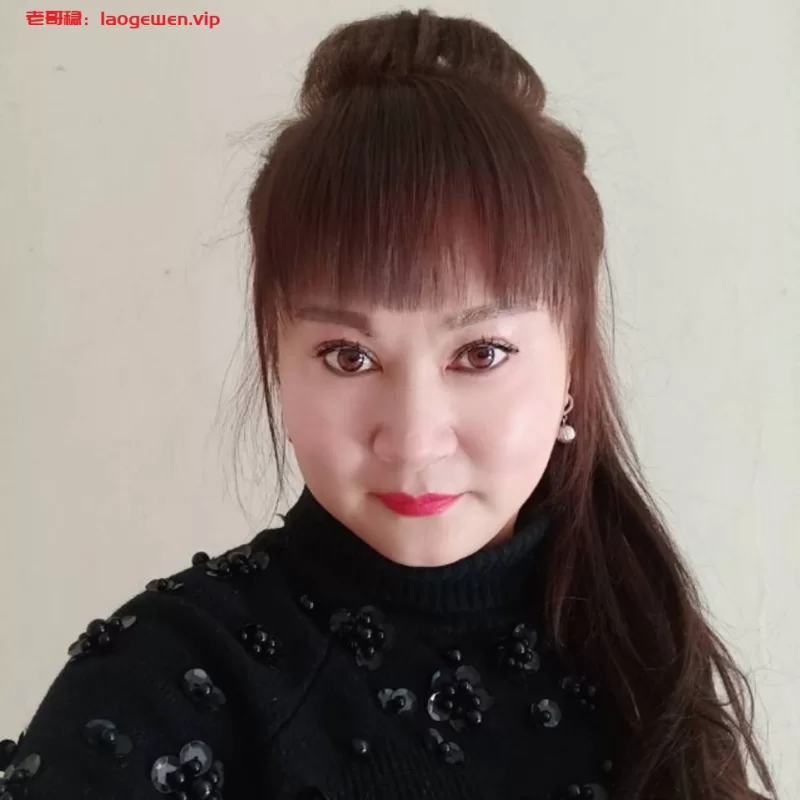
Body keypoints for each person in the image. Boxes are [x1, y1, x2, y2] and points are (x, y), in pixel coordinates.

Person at [0, 8, 775, 800]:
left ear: (572, 361)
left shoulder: (644, 651)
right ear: (277, 356)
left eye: (481, 354)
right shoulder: (168, 682)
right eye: (350, 356)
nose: (412, 439)